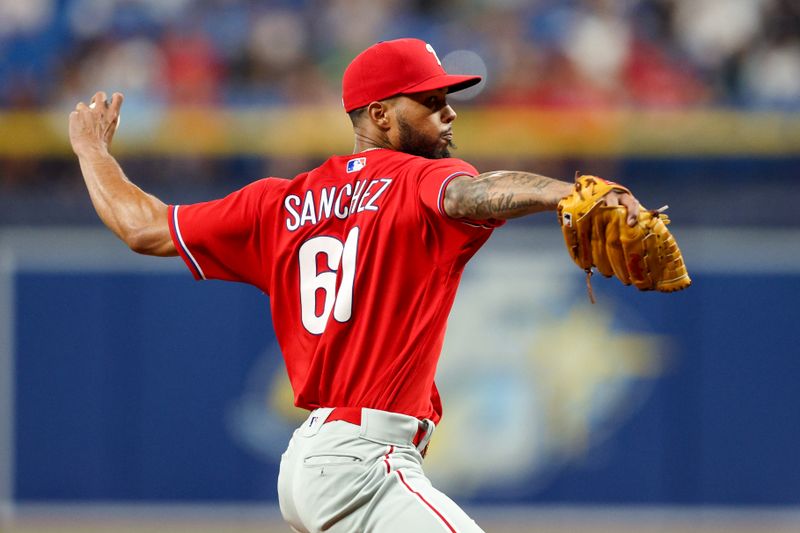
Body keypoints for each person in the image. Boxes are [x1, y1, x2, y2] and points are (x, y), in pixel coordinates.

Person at [69, 38, 640, 533]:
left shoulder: (279, 202)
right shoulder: (422, 179)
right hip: (362, 463)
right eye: (431, 101)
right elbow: (473, 193)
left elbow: (143, 227)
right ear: (380, 115)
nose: (449, 114)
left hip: (314, 459)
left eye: (448, 100)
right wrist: (562, 194)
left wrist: (91, 151)